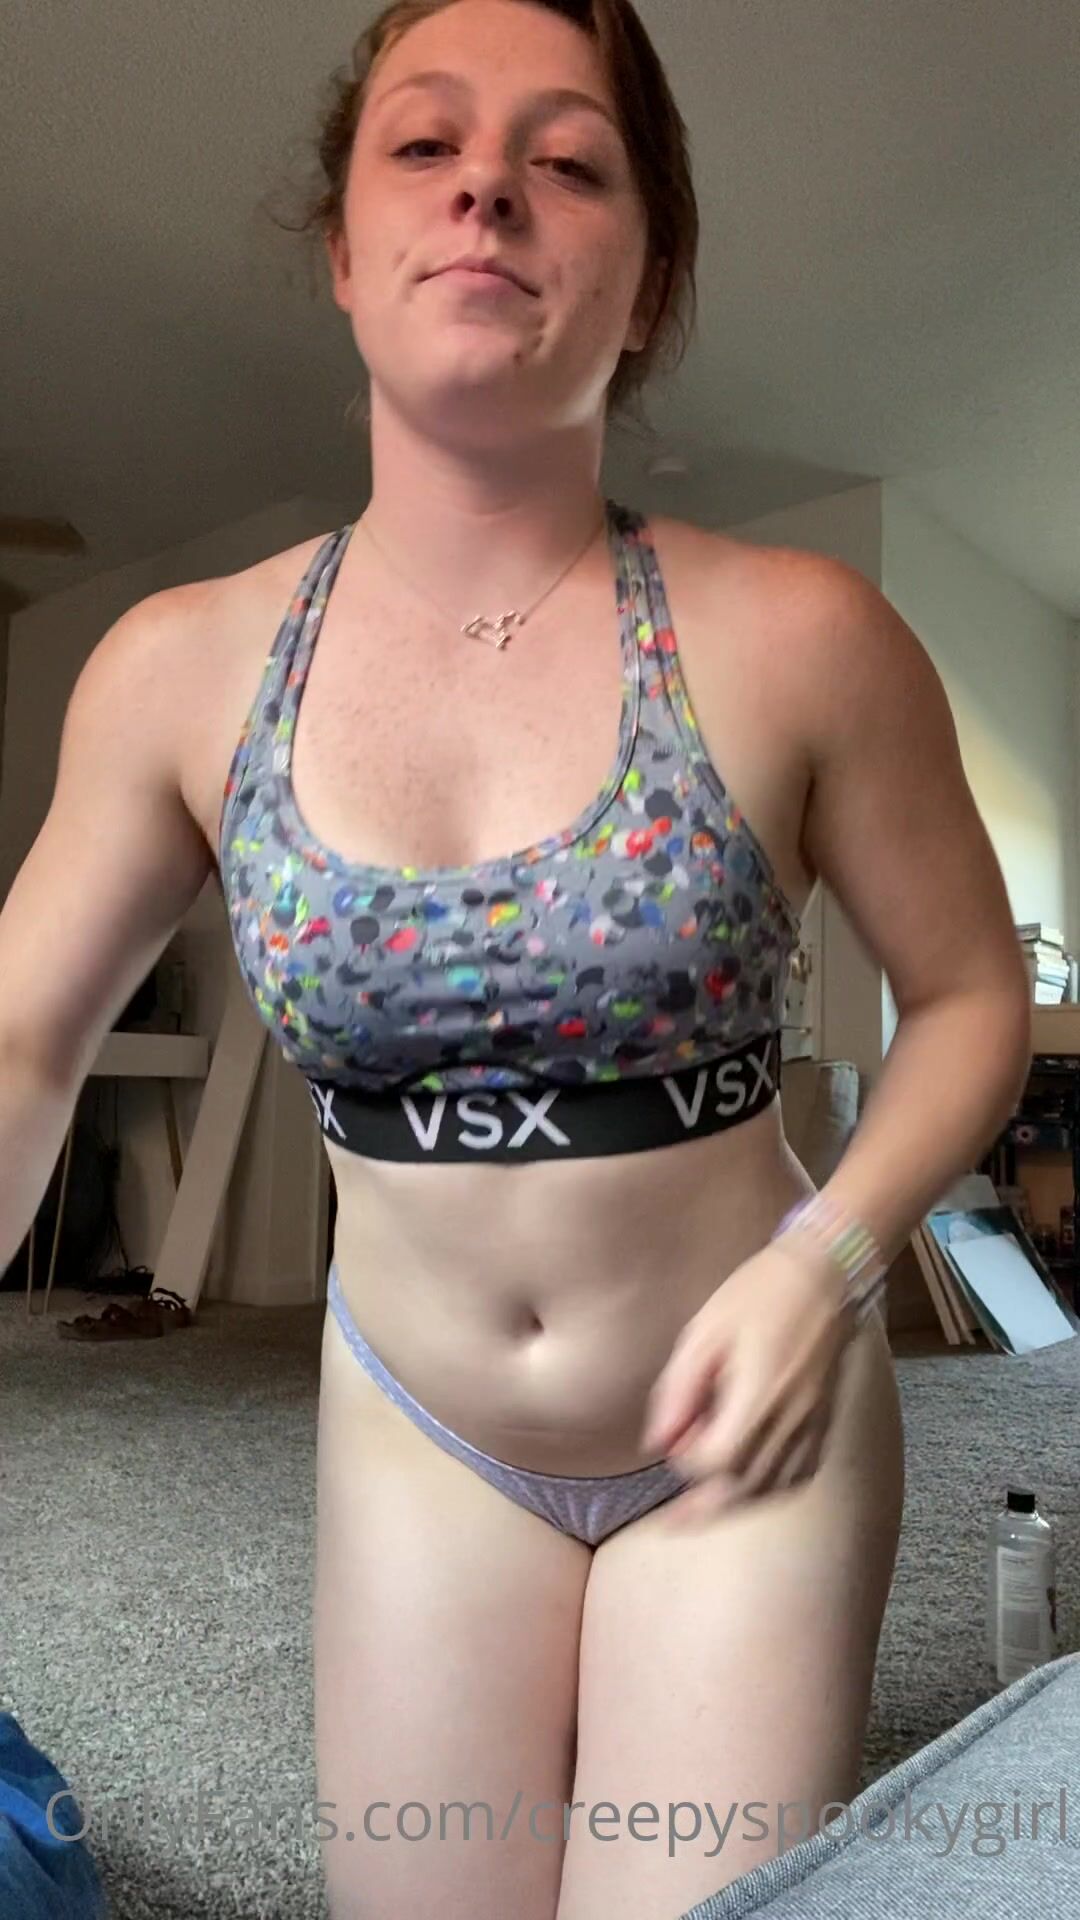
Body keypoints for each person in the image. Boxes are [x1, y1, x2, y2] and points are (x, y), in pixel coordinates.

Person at [0, 1, 1033, 1915]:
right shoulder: (176, 671)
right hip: (421, 1435)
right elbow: (19, 1045)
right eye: (426, 143)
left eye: (567, 161)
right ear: (342, 247)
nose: (488, 187)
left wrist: (827, 1266)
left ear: (648, 279)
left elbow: (975, 1000)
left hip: (744, 1441)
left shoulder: (803, 635)